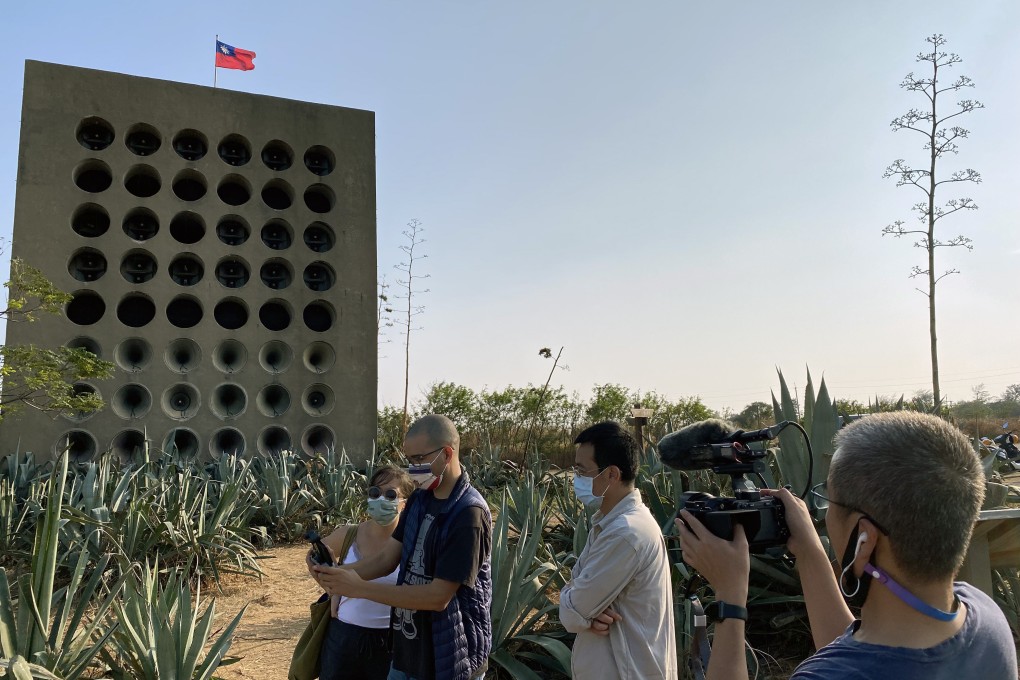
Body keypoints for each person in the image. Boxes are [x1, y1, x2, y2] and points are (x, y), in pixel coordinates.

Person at [675, 411, 1018, 680]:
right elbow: (856, 650)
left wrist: (729, 598)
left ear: (864, 539)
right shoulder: (985, 616)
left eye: (830, 502)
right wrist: (809, 551)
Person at [312, 415, 492, 680]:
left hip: (451, 654)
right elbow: (387, 557)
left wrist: (359, 588)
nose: (413, 468)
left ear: (447, 453)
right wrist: (339, 576)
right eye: (410, 460)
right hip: (410, 649)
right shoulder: (420, 499)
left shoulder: (468, 514)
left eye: (419, 459)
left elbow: (437, 597)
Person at [559, 421, 678, 679]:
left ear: (611, 474)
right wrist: (583, 609)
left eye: (581, 470)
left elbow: (571, 614)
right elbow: (576, 597)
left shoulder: (625, 533)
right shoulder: (608, 523)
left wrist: (580, 610)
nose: (575, 478)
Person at [308, 465, 415, 680]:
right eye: (375, 492)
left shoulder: (412, 542)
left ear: (405, 503)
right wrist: (332, 589)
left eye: (391, 494)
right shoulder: (349, 534)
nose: (381, 499)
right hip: (344, 637)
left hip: (392, 641)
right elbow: (313, 557)